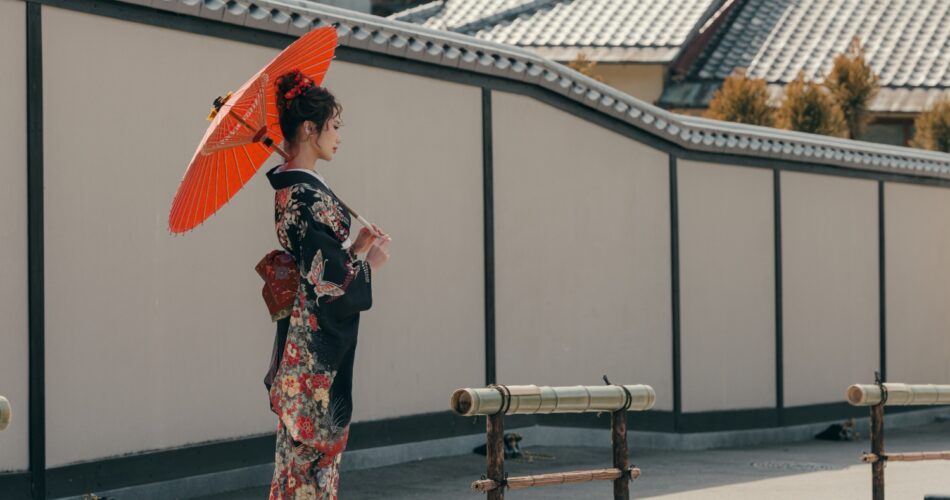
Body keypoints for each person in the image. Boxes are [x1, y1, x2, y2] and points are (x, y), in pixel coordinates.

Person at [264, 69, 390, 500]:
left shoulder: (296, 190)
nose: (339, 136)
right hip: (312, 356)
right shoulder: (305, 196)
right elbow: (329, 286)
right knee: (309, 477)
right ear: (309, 129)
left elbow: (320, 269)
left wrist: (353, 248)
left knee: (301, 472)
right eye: (334, 127)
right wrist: (369, 265)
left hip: (302, 346)